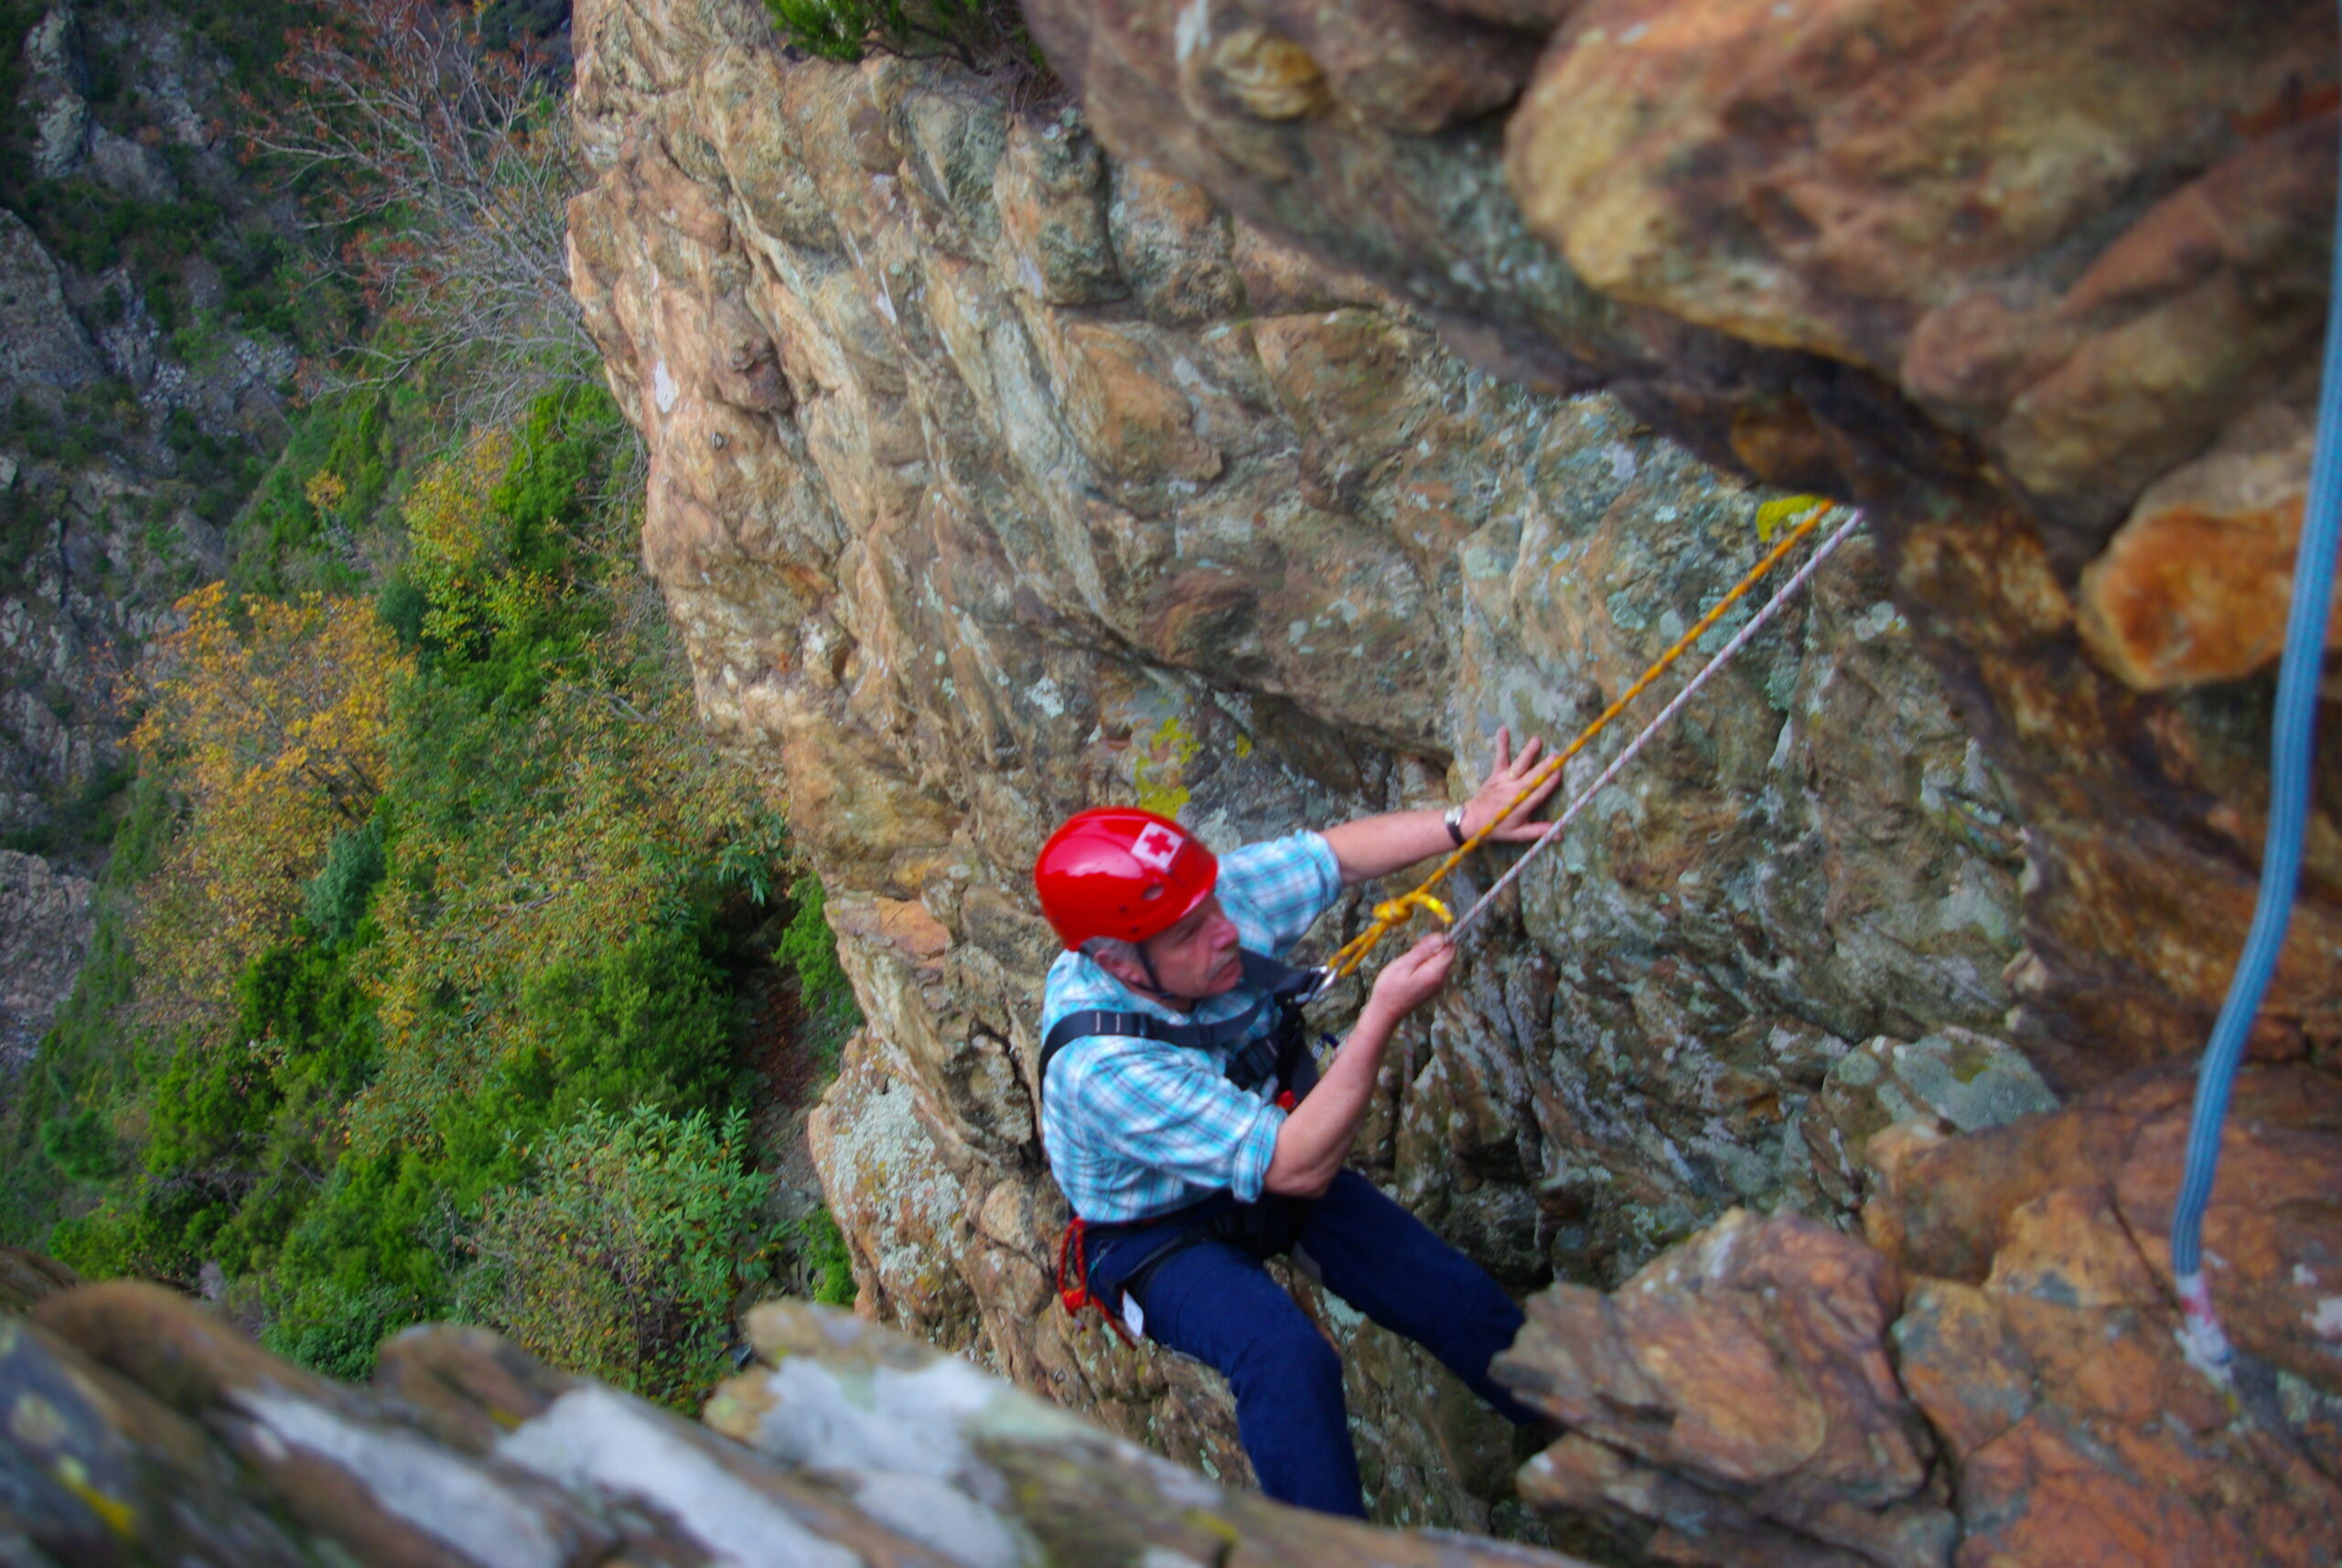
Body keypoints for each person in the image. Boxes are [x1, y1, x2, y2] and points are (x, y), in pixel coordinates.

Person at [1031, 728, 1561, 1517]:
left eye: (1212, 908)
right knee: (1283, 1358)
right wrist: (1381, 1013)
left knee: (1448, 1293)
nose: (1225, 933)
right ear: (1118, 964)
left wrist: (1463, 821)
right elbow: (1299, 1164)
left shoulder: (1194, 909)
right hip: (1159, 1235)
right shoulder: (1100, 1066)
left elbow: (1334, 857)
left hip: (1264, 1160)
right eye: (1190, 933)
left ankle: (1588, 1430)